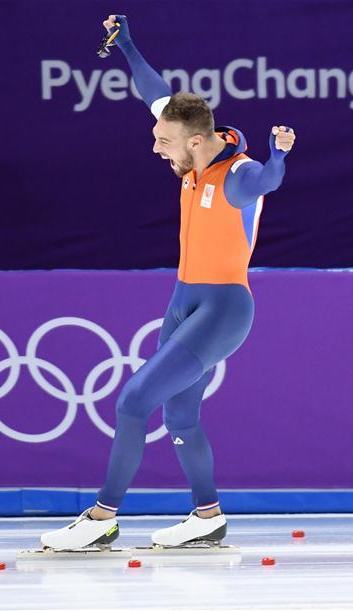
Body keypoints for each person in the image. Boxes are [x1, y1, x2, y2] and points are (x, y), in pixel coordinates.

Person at [41, 14, 296, 550]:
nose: (156, 147)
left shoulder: (237, 175)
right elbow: (153, 90)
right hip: (183, 301)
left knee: (133, 401)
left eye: (164, 141)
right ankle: (207, 517)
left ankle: (102, 518)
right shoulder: (192, 149)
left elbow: (267, 181)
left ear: (197, 140)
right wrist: (128, 45)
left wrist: (279, 156)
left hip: (223, 310)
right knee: (181, 416)